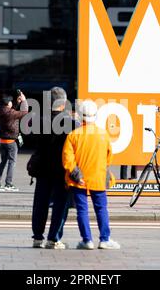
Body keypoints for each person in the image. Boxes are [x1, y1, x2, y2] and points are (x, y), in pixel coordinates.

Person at [62, 100, 120, 250]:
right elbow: (109, 157)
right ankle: (104, 239)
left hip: (79, 179)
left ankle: (87, 240)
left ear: (80, 117)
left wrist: (75, 173)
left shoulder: (73, 135)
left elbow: (67, 158)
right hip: (98, 178)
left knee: (82, 209)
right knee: (101, 208)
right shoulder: (103, 134)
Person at [31, 87, 80, 249]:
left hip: (42, 168)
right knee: (60, 204)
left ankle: (38, 237)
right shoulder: (70, 122)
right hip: (61, 169)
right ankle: (53, 238)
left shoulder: (39, 120)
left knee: (40, 202)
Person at [0, 91, 28, 192]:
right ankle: (8, 184)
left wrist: (18, 102)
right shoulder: (10, 113)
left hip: (3, 141)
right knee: (12, 162)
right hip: (10, 142)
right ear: (8, 103)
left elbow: (12, 111)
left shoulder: (2, 111)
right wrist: (24, 101)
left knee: (3, 162)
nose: (12, 103)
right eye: (11, 102)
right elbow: (24, 113)